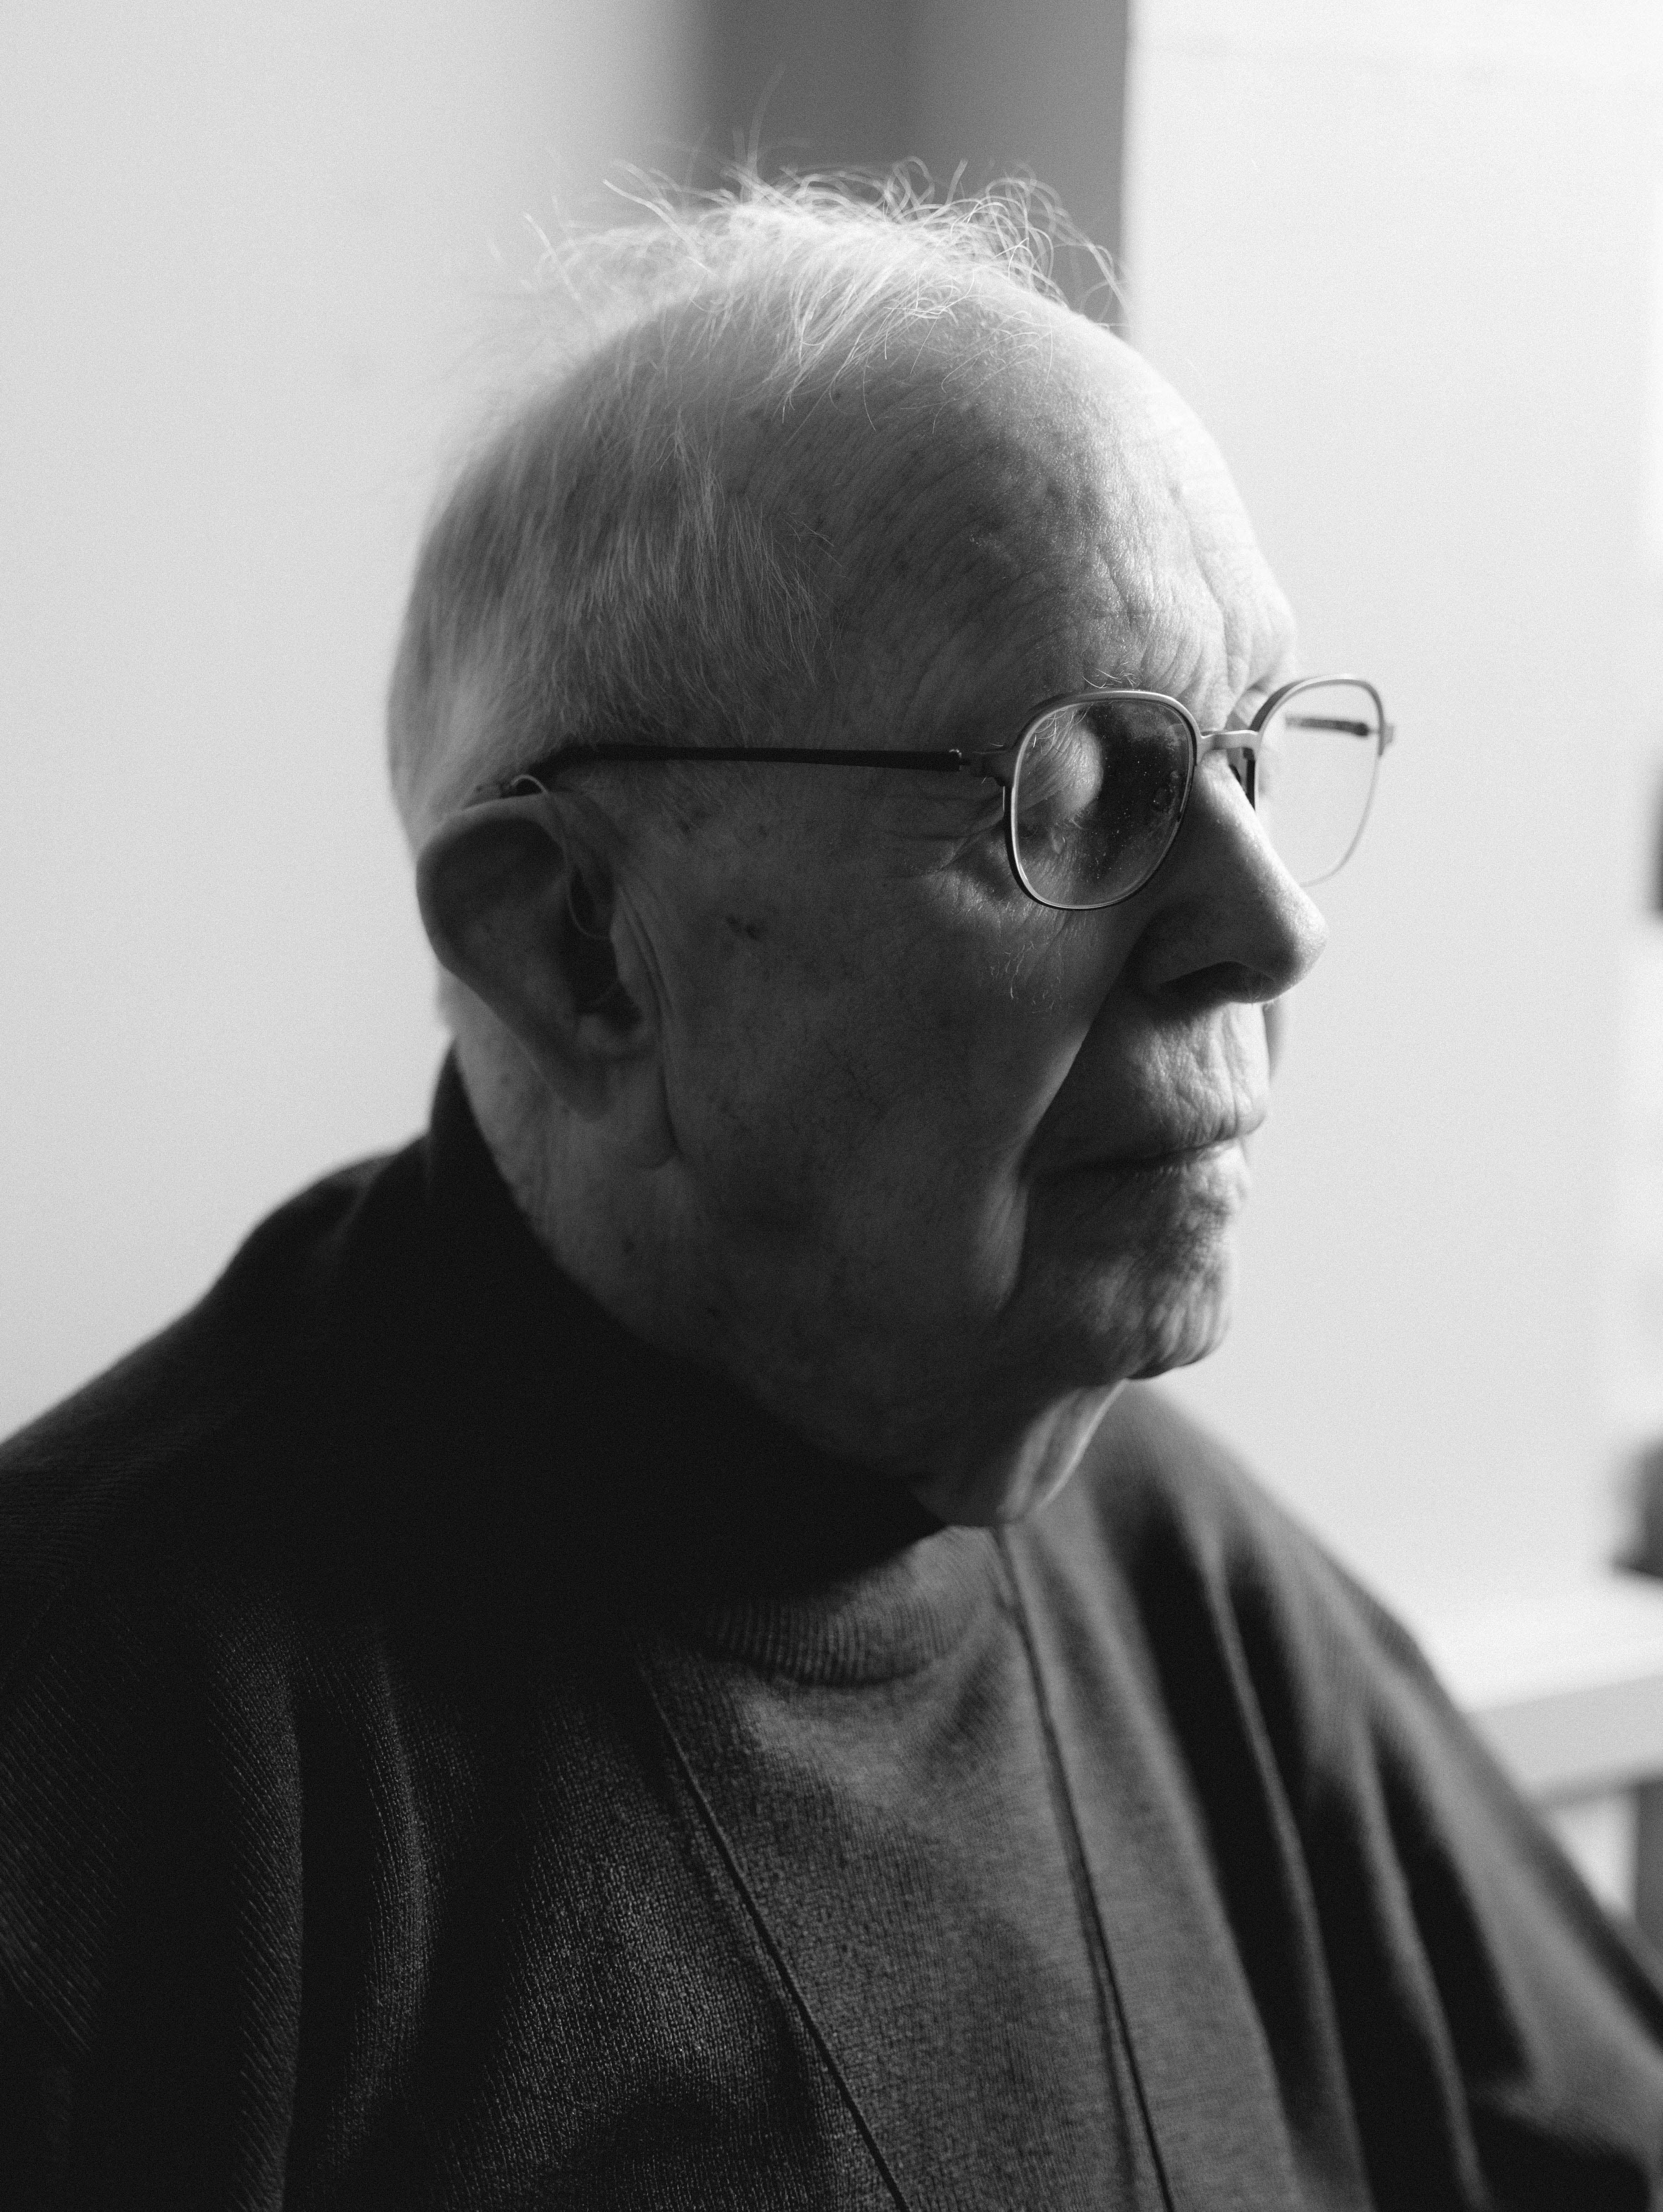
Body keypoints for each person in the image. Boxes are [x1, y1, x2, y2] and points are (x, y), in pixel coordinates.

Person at [1, 177, 1658, 2210]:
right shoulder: (115, 1769)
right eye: (1080, 794)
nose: (1271, 924)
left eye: (1250, 748)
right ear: (585, 948)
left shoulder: (1171, 1548)